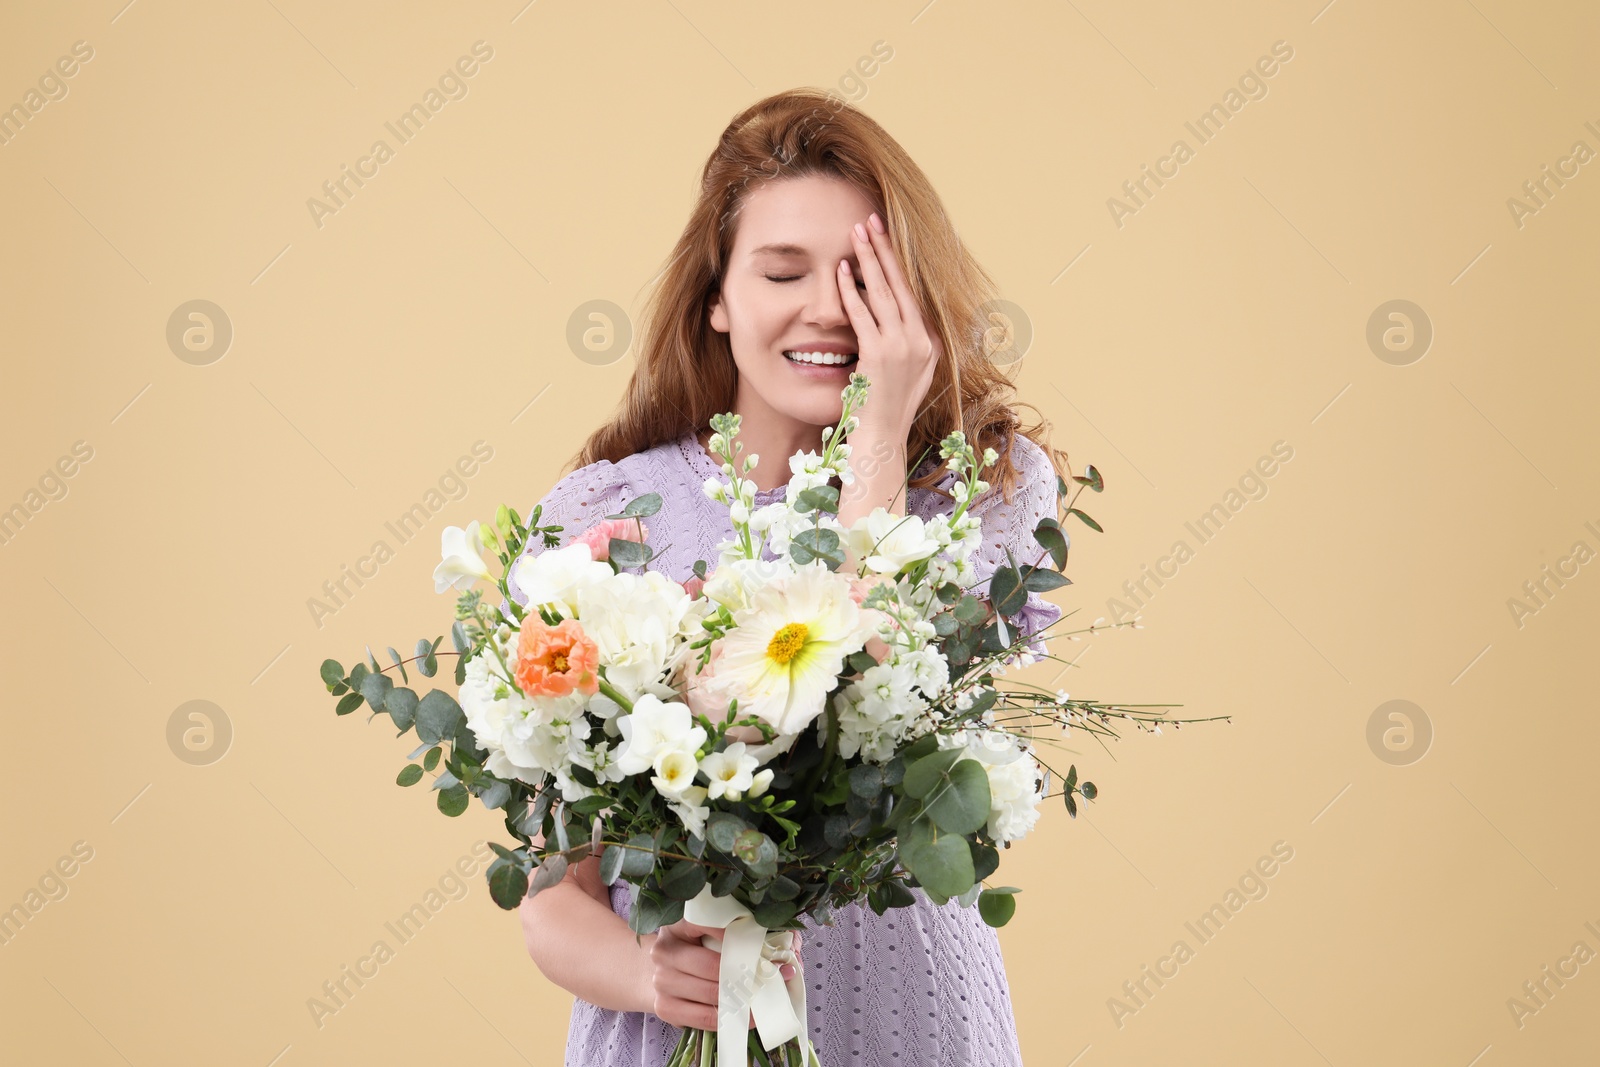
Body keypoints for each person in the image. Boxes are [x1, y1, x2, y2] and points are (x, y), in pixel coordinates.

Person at [511, 87, 1074, 1066]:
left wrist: (881, 433)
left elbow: (873, 677)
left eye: (865, 277)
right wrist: (647, 971)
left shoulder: (986, 492)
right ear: (718, 300)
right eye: (782, 272)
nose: (827, 308)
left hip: (914, 1027)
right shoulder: (601, 519)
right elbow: (553, 892)